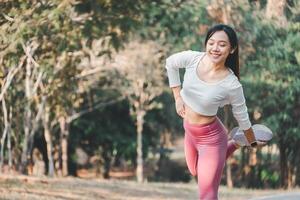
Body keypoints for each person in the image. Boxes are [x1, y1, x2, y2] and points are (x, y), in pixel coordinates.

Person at [165, 24, 272, 200]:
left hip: (212, 139)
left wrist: (252, 143)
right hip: (190, 131)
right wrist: (177, 97)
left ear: (232, 49)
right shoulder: (193, 59)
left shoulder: (231, 84)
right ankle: (236, 142)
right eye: (211, 42)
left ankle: (237, 142)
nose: (215, 48)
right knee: (194, 170)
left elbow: (242, 117)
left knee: (207, 194)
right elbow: (170, 63)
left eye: (222, 44)